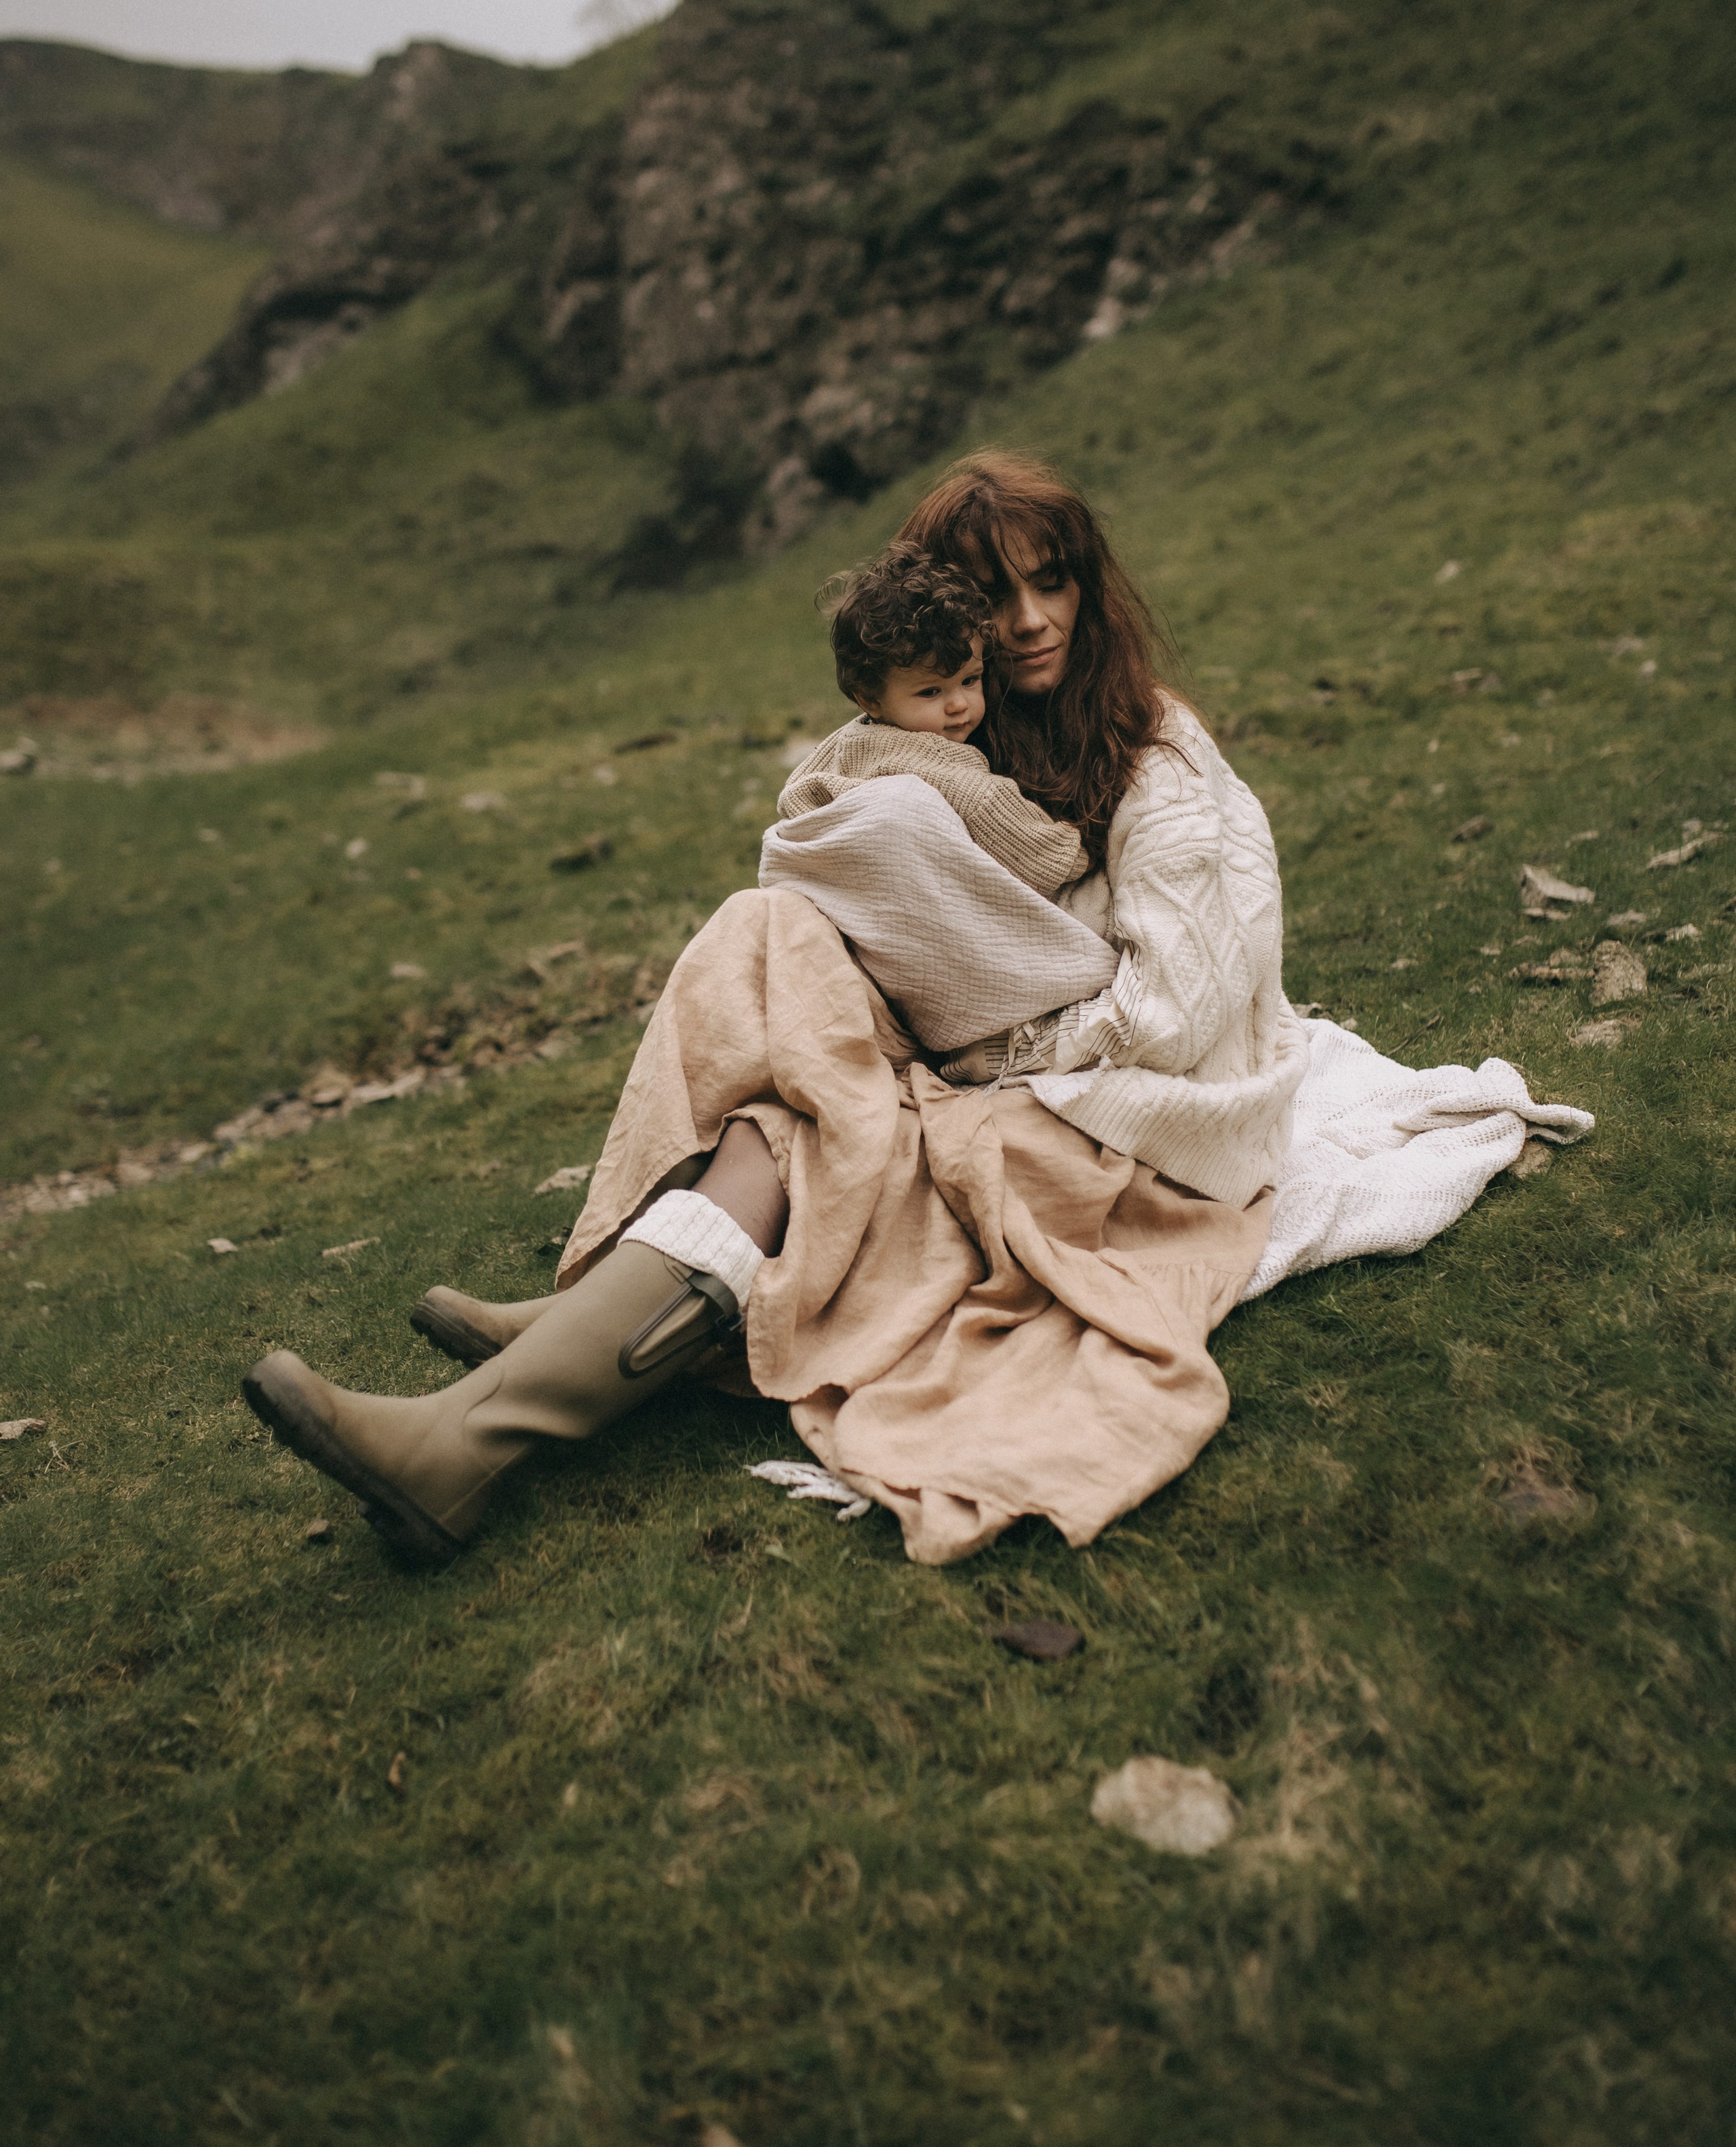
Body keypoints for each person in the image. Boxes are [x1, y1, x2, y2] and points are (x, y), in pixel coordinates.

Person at [243, 450, 1308, 1569]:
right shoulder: (950, 733)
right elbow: (870, 899)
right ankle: (530, 1378)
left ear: (1091, 584)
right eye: (996, 597)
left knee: (804, 1124)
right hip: (978, 1071)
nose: (1033, 621)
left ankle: (519, 1385)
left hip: (1118, 1117)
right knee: (773, 952)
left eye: (1056, 581)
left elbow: (1173, 1015)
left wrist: (959, 1065)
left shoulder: (1156, 753)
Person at [777, 541, 1089, 901]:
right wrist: (1078, 855)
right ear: (870, 699)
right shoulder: (940, 764)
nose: (959, 705)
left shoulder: (850, 739)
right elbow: (1016, 833)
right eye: (930, 692)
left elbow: (795, 796)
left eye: (970, 680)